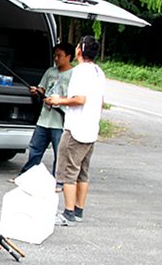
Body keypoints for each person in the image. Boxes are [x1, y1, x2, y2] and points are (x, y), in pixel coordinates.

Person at [46, 35, 106, 227]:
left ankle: (68, 213)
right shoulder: (98, 71)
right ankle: (78, 210)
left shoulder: (80, 72)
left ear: (79, 50)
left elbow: (79, 99)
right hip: (91, 129)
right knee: (83, 172)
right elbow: (100, 101)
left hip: (76, 129)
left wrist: (58, 100)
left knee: (68, 171)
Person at [15, 42, 75, 183]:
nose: (56, 58)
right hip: (44, 119)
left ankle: (58, 181)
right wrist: (37, 91)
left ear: (68, 57)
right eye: (55, 55)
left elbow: (75, 98)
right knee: (35, 149)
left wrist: (58, 100)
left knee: (60, 152)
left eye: (59, 56)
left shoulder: (74, 74)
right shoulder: (50, 72)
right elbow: (42, 89)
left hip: (60, 122)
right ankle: (26, 177)